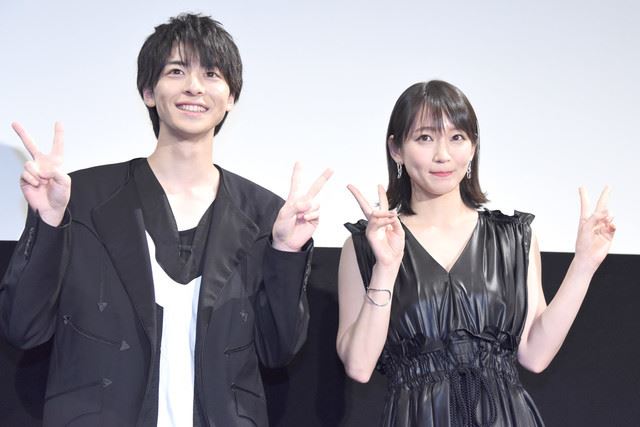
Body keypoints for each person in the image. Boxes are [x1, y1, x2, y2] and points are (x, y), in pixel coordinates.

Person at [0, 13, 331, 426]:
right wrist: (48, 223)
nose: (194, 86)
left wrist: (285, 252)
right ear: (148, 92)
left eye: (211, 74)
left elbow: (277, 351)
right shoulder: (81, 199)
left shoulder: (265, 215)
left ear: (231, 97)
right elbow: (23, 328)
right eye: (177, 71)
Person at [336, 80, 615, 426]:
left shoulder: (513, 238)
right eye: (425, 138)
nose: (443, 155)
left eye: (457, 137)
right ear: (396, 149)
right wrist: (386, 267)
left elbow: (535, 354)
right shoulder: (365, 246)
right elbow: (359, 366)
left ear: (473, 147)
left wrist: (584, 265)